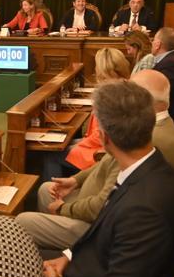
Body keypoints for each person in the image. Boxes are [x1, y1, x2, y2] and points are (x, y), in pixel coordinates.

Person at [43, 82, 174, 277]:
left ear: (106, 138)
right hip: (92, 274)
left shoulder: (145, 209)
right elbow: (102, 230)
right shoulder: (146, 167)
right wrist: (68, 256)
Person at [17, 69, 174, 252]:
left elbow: (105, 204)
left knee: (22, 221)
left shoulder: (153, 138)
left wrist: (64, 209)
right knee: (45, 189)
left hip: (98, 224)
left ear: (143, 102)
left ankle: (59, 255)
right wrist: (75, 180)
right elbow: (108, 160)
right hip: (92, 201)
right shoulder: (149, 127)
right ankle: (54, 250)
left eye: (130, 92)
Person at [42, 48, 131, 180]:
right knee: (64, 143)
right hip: (104, 146)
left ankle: (54, 194)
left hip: (102, 152)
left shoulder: (111, 95)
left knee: (52, 155)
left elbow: (102, 135)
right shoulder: (126, 87)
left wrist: (80, 144)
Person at [148, 28, 174, 123]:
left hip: (163, 118)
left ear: (158, 44)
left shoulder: (172, 65)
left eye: (153, 40)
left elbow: (156, 94)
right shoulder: (170, 60)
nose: (151, 43)